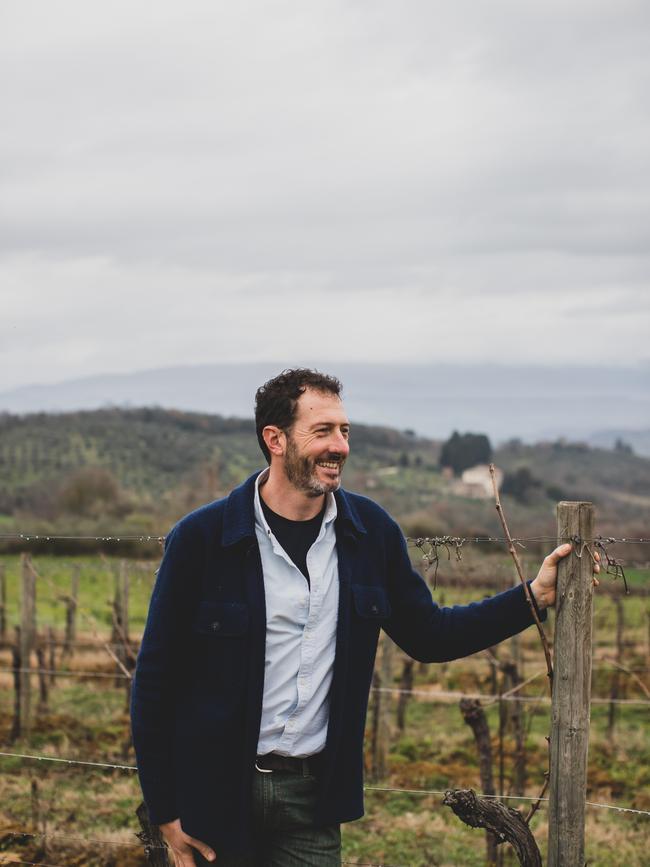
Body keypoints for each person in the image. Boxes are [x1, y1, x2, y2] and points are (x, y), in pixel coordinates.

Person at [131, 368, 599, 867]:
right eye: (323, 431)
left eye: (344, 431)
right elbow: (155, 680)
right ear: (275, 439)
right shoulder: (201, 539)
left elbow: (431, 635)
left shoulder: (370, 533)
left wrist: (532, 596)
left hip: (312, 800)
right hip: (215, 793)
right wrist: (166, 809)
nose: (340, 446)